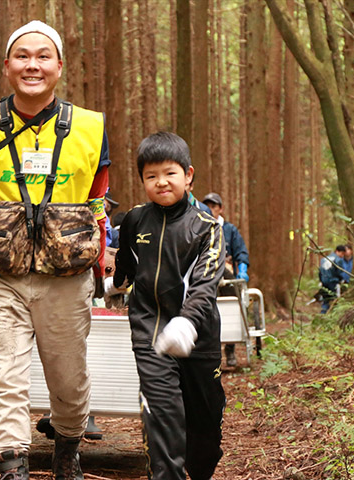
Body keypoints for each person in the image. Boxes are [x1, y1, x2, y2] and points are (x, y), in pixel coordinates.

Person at [0, 21, 109, 480]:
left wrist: (100, 260)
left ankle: (68, 444)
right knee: (5, 370)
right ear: (7, 66)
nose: (32, 65)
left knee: (68, 376)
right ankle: (11, 463)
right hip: (2, 273)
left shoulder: (90, 126)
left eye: (43, 56)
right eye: (22, 56)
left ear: (59, 65)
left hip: (67, 273)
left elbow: (98, 201)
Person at [106, 132, 226, 480]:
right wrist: (114, 284)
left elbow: (205, 284)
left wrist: (187, 322)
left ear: (188, 175)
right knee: (162, 415)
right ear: (142, 179)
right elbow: (127, 261)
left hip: (198, 339)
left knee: (204, 431)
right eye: (151, 176)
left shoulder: (207, 228)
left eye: (170, 173)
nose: (161, 182)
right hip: (150, 333)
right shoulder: (134, 220)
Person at [202, 192, 249, 367]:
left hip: (227, 275)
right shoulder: (200, 227)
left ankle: (230, 349)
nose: (211, 210)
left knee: (233, 308)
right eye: (208, 206)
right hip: (206, 275)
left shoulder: (230, 230)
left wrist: (242, 269)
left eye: (214, 206)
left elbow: (241, 252)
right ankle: (210, 351)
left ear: (220, 209)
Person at [318, 245, 347, 313]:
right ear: (337, 251)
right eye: (342, 253)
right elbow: (339, 272)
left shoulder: (324, 259)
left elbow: (320, 272)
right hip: (333, 282)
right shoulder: (338, 260)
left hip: (324, 282)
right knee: (335, 300)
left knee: (325, 300)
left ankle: (323, 314)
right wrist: (342, 280)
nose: (342, 256)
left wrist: (321, 280)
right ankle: (334, 315)